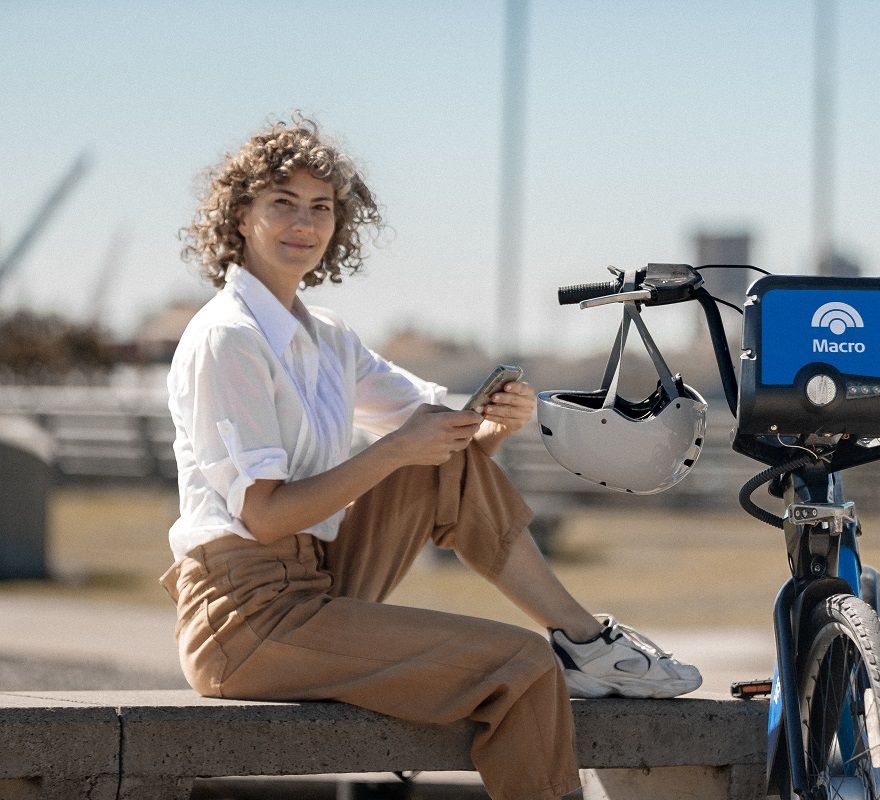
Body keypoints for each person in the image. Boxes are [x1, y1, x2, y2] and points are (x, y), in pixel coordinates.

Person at [160, 115, 702, 800]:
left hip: (320, 580)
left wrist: (491, 424)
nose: (305, 222)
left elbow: (446, 448)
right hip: (245, 617)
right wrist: (397, 450)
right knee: (524, 664)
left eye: (322, 207)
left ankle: (585, 639)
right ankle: (578, 645)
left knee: (443, 458)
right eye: (283, 203)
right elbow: (264, 518)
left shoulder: (326, 337)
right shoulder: (227, 339)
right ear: (241, 215)